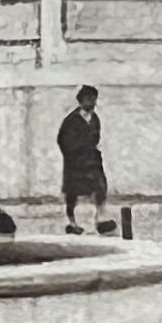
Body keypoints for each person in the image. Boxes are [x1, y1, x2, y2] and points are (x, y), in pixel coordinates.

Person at [56, 84, 109, 233]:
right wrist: (73, 154)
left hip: (92, 161)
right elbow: (62, 140)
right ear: (81, 100)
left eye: (94, 99)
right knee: (72, 192)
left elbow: (96, 137)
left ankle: (100, 220)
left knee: (100, 187)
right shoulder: (71, 120)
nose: (92, 102)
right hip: (75, 162)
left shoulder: (95, 118)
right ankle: (72, 222)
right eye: (88, 99)